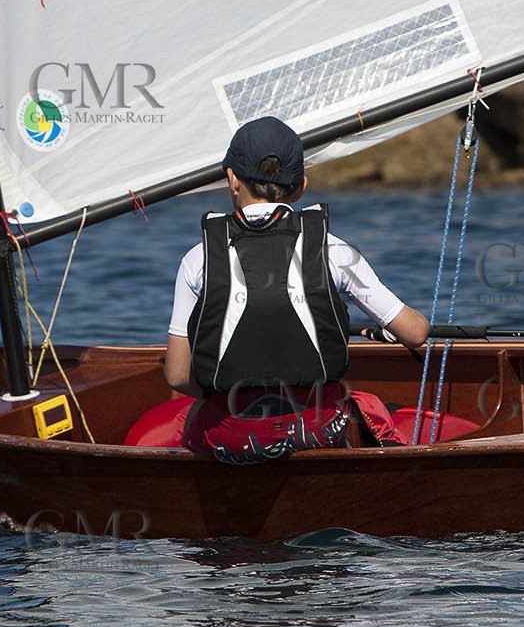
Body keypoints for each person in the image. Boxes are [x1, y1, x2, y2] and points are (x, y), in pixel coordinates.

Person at [164, 116, 430, 463]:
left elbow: (177, 375)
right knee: (363, 407)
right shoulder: (336, 251)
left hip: (232, 437)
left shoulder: (197, 259)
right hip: (315, 432)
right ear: (301, 186)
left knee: (195, 417)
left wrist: (228, 396)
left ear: (232, 179)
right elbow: (415, 332)